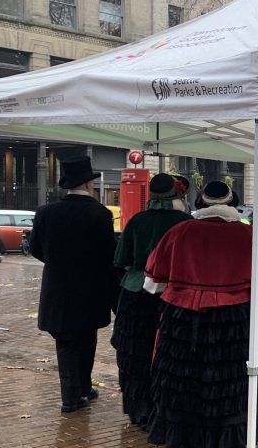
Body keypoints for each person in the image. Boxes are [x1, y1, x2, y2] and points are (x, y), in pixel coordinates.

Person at [143, 180, 258, 448]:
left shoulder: (180, 231)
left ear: (201, 202)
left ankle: (184, 436)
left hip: (184, 315)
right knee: (227, 378)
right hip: (232, 317)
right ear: (231, 202)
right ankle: (224, 439)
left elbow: (154, 277)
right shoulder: (249, 235)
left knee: (185, 376)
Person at [30, 156, 117, 413]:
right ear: (89, 184)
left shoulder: (45, 213)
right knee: (87, 338)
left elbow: (35, 248)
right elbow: (109, 254)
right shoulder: (100, 214)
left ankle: (75, 392)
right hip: (90, 290)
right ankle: (79, 391)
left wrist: (57, 263)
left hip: (57, 290)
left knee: (65, 341)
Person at [110, 173, 191, 427]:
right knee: (168, 353)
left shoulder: (137, 220)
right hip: (171, 296)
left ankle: (138, 408)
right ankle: (163, 408)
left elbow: (120, 260)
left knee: (135, 353)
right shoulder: (184, 223)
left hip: (135, 293)